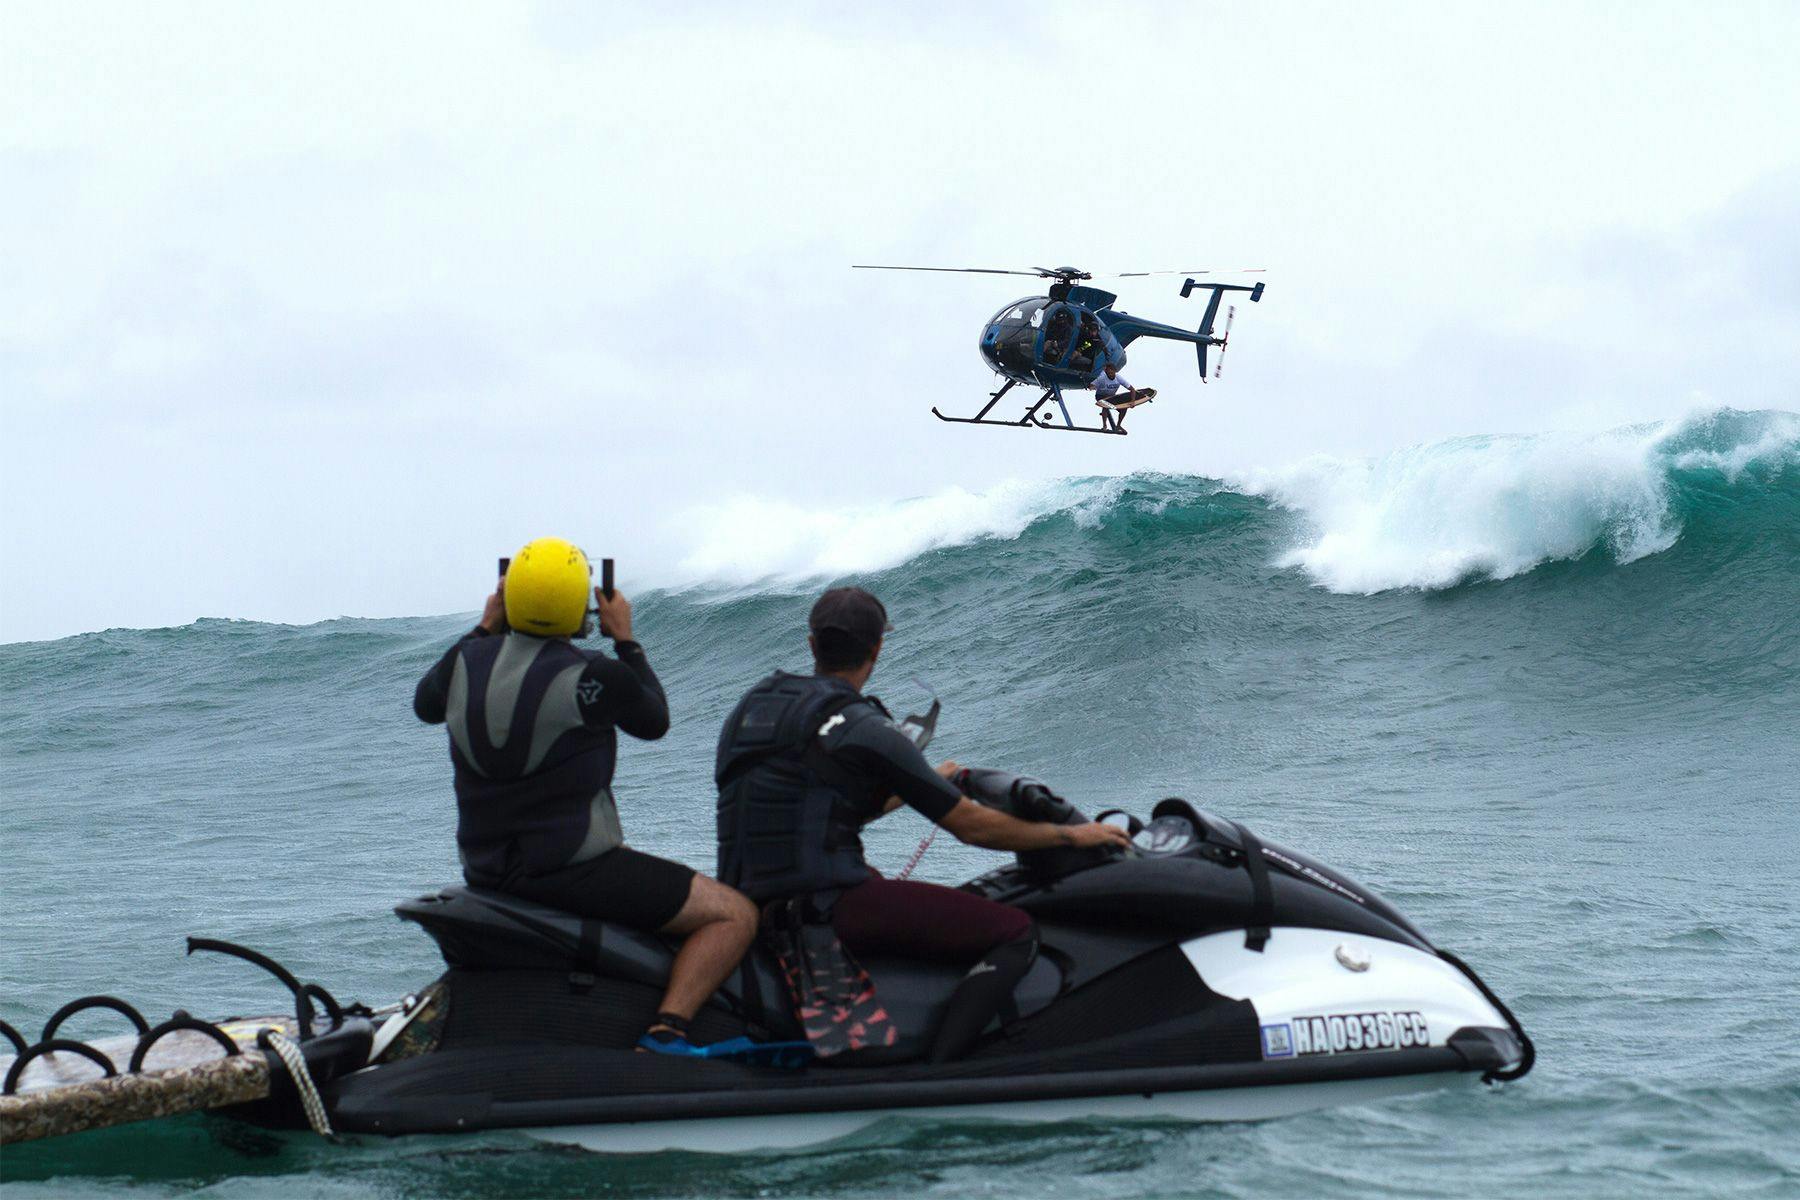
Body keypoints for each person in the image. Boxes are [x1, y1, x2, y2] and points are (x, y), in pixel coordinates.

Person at [714, 587, 1132, 1063]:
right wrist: (1073, 835)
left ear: (812, 645)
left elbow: (814, 804)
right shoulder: (863, 725)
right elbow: (972, 828)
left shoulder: (753, 706)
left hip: (748, 900)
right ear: (877, 649)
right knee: (1015, 931)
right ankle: (942, 1070)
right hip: (826, 903)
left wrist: (927, 781)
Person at [414, 537, 757, 1056]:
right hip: (573, 871)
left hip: (485, 868)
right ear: (580, 607)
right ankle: (668, 1031)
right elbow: (654, 721)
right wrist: (626, 639)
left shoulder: (463, 661)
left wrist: (487, 622)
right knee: (734, 914)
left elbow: (425, 705)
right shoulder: (597, 674)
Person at [1090, 360, 1150, 429]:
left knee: (1124, 408)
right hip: (1100, 396)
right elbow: (1091, 385)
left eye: (1111, 372)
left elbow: (1132, 390)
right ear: (1106, 373)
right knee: (1105, 405)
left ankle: (1118, 425)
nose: (1110, 374)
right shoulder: (1102, 378)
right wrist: (1092, 387)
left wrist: (1133, 401)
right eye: (1108, 373)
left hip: (1111, 397)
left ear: (1115, 371)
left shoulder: (1118, 378)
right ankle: (1104, 425)